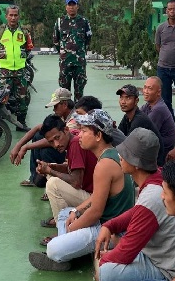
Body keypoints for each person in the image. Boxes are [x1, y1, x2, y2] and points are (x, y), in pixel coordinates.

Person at [30, 110, 134, 271]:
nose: (79, 134)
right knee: (66, 213)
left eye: (84, 131)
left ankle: (63, 256)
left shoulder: (104, 165)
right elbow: (95, 198)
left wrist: (73, 229)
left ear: (98, 136)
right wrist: (77, 212)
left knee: (53, 248)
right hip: (108, 222)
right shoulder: (111, 155)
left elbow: (96, 212)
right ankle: (70, 248)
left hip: (110, 230)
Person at [96, 128, 175, 281]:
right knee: (116, 241)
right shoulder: (157, 176)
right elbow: (139, 211)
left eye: (125, 153)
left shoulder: (152, 196)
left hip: (166, 270)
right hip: (160, 254)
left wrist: (106, 262)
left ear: (136, 163)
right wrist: (110, 225)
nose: (119, 155)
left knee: (105, 274)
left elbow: (126, 253)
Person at [36, 113, 98, 229]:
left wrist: (50, 170)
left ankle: (63, 229)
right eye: (51, 142)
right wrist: (51, 167)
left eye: (57, 138)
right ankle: (63, 221)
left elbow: (76, 181)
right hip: (93, 196)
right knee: (52, 178)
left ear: (66, 130)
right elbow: (72, 168)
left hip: (95, 200)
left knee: (53, 183)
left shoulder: (75, 143)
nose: (56, 144)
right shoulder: (72, 140)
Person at [0, 5, 33, 131]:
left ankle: (21, 124)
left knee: (23, 99)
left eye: (15, 15)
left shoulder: (24, 32)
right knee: (1, 100)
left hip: (20, 71)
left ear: (19, 16)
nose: (13, 17)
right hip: (4, 73)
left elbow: (28, 48)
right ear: (6, 16)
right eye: (11, 15)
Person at [53, 0, 92, 101]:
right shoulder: (60, 22)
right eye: (69, 5)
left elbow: (88, 39)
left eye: (73, 4)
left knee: (79, 94)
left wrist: (80, 52)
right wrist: (63, 53)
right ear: (66, 7)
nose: (71, 7)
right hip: (65, 64)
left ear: (77, 6)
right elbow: (56, 40)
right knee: (64, 94)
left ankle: (78, 115)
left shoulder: (84, 22)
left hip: (79, 64)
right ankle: (66, 116)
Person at [116, 84, 165, 166]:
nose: (123, 101)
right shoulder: (127, 117)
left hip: (152, 164)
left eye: (128, 98)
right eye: (121, 97)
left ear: (136, 101)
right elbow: (119, 137)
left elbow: (127, 147)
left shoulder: (139, 120)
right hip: (139, 158)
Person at [141, 76, 175, 156]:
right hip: (155, 144)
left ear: (158, 92)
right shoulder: (148, 105)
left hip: (162, 150)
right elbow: (136, 117)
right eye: (145, 88)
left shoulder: (158, 109)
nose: (145, 91)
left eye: (150, 89)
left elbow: (144, 133)